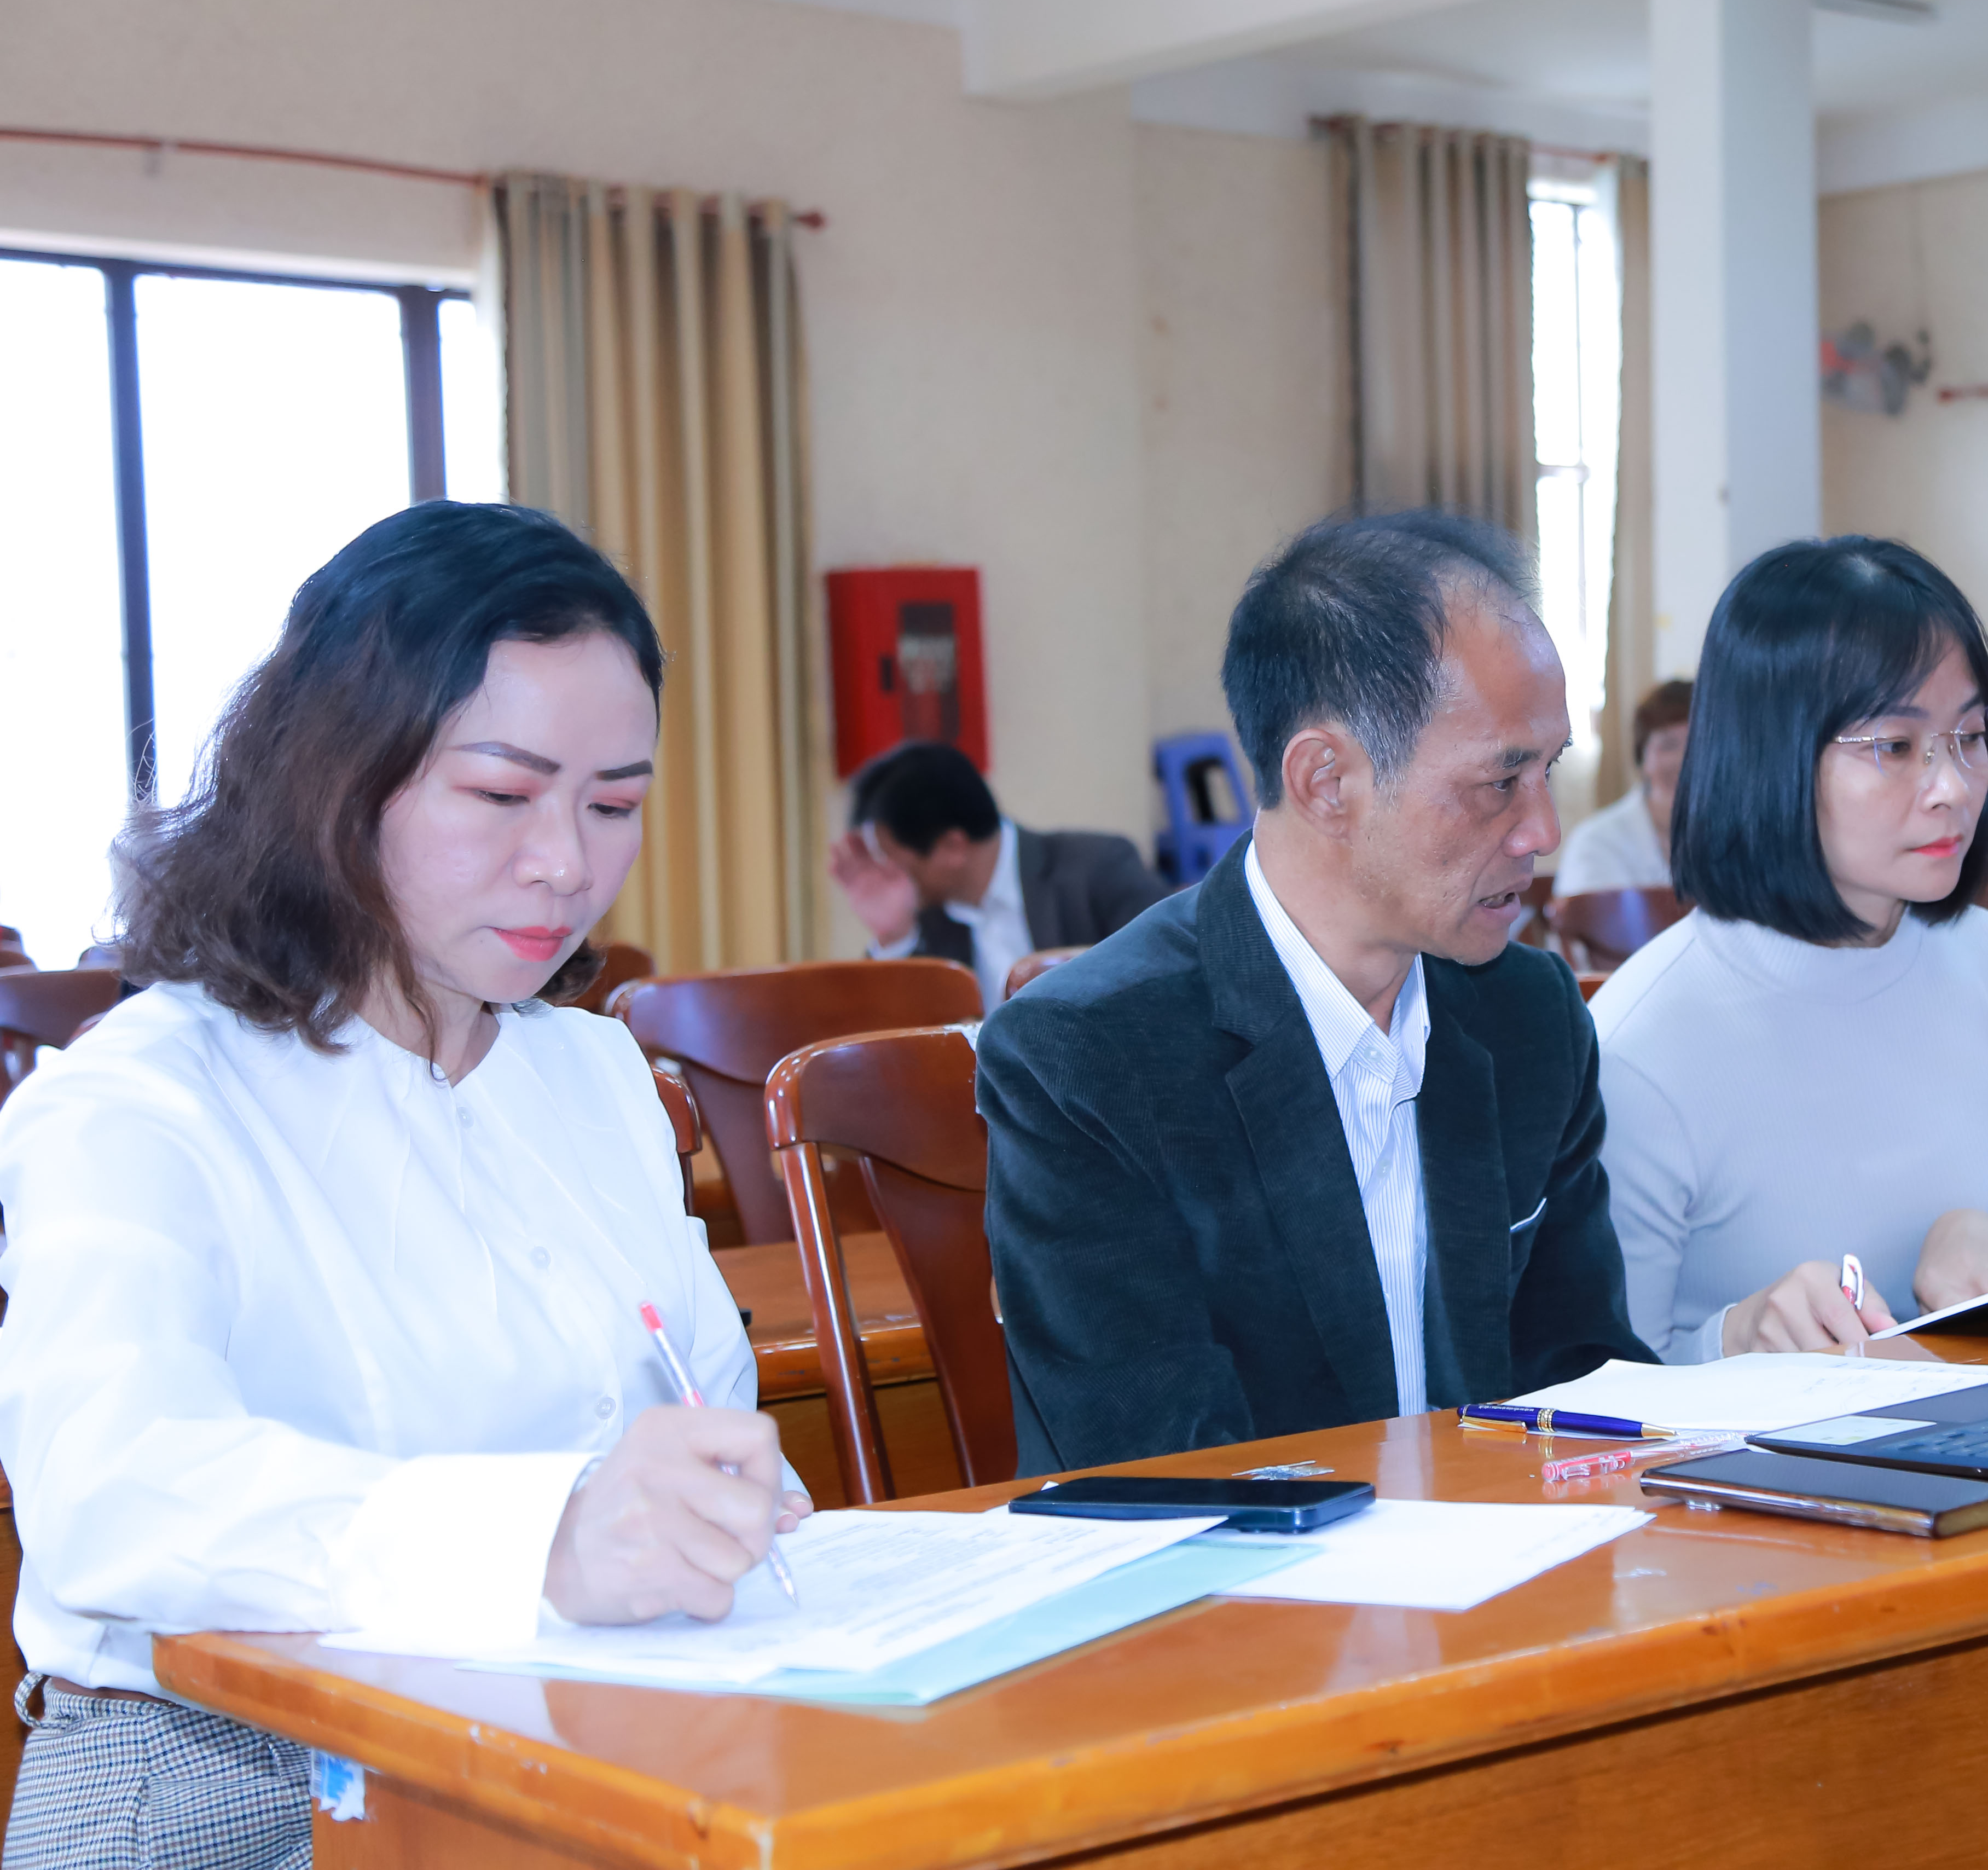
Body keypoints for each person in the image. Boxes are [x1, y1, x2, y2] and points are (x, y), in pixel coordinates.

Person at [0, 503, 806, 1868]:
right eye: (501, 795)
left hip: (578, 1752)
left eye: (614, 805)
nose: (568, 863)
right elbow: (113, 1495)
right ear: (334, 778)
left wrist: (714, 1512)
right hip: (227, 1788)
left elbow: (704, 1413)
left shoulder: (593, 1074)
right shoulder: (141, 1101)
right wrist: (547, 1540)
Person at [977, 510, 1651, 1474]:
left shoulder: (1528, 1015)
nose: (1542, 831)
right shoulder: (1087, 1057)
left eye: (1547, 770)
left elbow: (1581, 1390)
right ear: (1326, 781)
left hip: (1508, 1558)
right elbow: (1167, 1467)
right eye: (1500, 782)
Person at [1593, 536, 1988, 1362]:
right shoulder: (1642, 1044)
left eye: (1971, 735)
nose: (1953, 787)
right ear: (1772, 758)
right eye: (1896, 747)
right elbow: (1596, 1396)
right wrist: (1734, 1339)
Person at [825, 740, 1168, 1008]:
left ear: (952, 847)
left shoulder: (1096, 869)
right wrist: (893, 936)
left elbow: (1171, 976)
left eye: (888, 860)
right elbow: (902, 1046)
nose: (882, 875)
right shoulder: (924, 920)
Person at [1552, 679, 1690, 896]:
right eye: (1668, 746)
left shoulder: (1737, 838)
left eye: (1698, 745)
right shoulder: (1597, 846)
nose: (1685, 761)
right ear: (1642, 757)